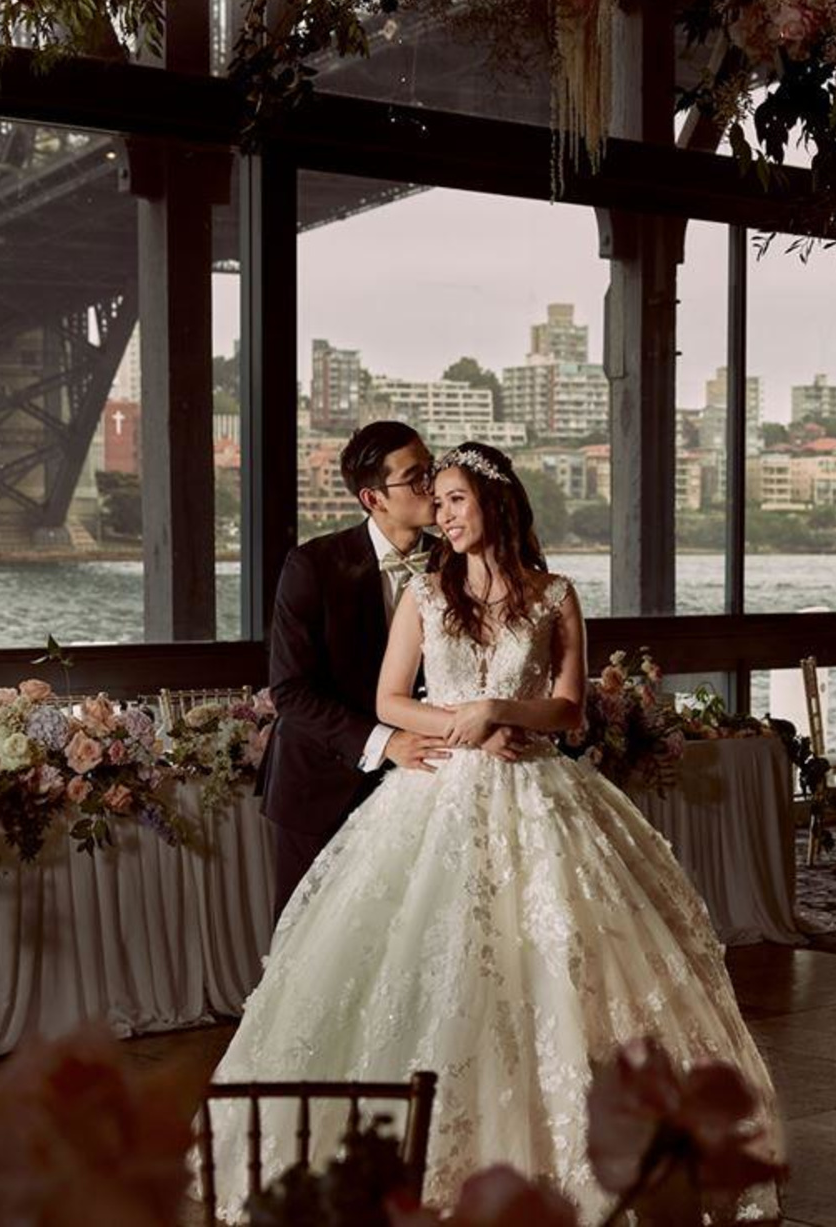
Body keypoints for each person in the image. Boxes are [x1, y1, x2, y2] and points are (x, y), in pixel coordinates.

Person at [209, 442, 782, 1219]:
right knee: (436, 964)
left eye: (452, 499)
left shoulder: (556, 595)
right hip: (438, 791)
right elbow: (387, 700)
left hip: (539, 790)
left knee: (554, 962)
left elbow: (570, 708)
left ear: (495, 502)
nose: (440, 514)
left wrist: (502, 712)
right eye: (434, 499)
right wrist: (465, 723)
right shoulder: (424, 594)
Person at [261, 421, 529, 918]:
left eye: (432, 469)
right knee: (308, 942)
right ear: (374, 498)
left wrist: (477, 729)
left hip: (431, 784)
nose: (433, 486)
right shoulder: (312, 566)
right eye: (416, 477)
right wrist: (388, 741)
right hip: (321, 782)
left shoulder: (458, 560)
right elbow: (293, 691)